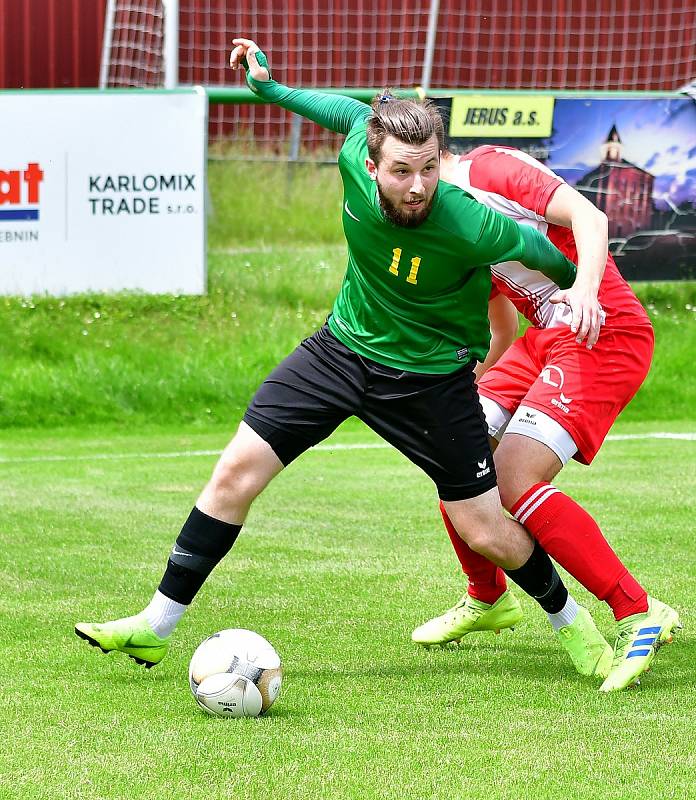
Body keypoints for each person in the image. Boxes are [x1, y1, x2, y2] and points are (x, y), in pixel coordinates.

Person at [75, 38, 604, 685]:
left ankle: (569, 620)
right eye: (402, 171)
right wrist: (268, 88)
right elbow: (331, 108)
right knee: (236, 470)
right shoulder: (356, 144)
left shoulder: (474, 224)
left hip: (430, 378)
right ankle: (154, 626)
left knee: (484, 525)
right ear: (371, 161)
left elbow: (552, 256)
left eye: (429, 170)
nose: (417, 187)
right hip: (342, 350)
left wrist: (582, 293)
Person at [411, 145, 681, 692]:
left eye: (413, 168)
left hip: (603, 336)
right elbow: (503, 331)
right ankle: (487, 597)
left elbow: (592, 216)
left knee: (512, 479)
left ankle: (636, 611)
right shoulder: (443, 226)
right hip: (540, 343)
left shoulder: (487, 173)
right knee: (457, 449)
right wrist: (462, 381)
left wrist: (583, 288)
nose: (406, 187)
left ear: (432, 157)